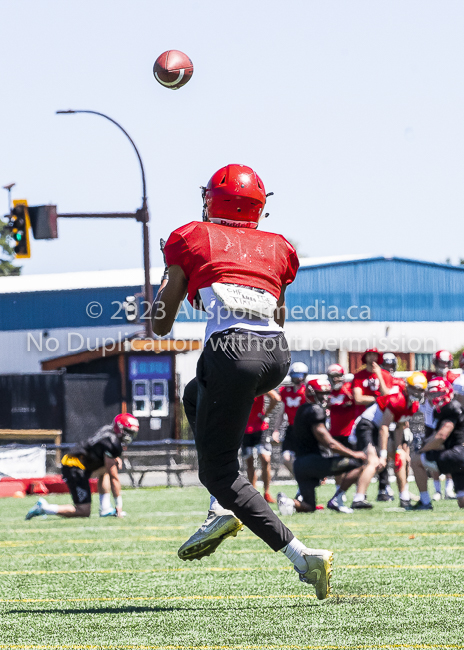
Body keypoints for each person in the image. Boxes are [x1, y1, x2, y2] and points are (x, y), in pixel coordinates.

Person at [152, 164, 332, 600]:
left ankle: (302, 556)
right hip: (275, 353)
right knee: (194, 395)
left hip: (232, 354)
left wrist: (169, 276)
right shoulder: (278, 246)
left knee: (221, 471)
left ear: (210, 200)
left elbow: (160, 324)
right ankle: (219, 506)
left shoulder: (191, 236)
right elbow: (275, 311)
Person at [277, 378, 367, 516]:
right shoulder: (316, 410)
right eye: (321, 393)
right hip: (312, 463)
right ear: (312, 393)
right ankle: (337, 499)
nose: (325, 397)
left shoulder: (302, 409)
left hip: (300, 465)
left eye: (327, 393)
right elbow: (329, 443)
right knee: (359, 463)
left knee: (309, 506)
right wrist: (354, 454)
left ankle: (288, 502)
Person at [25, 414, 139, 520]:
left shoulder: (108, 432)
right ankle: (44, 508)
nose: (129, 436)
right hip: (74, 467)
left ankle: (105, 508)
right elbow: (114, 478)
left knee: (106, 468)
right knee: (83, 511)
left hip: (80, 464)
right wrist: (119, 505)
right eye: (128, 432)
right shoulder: (112, 442)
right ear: (119, 428)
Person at [350, 372, 427, 509]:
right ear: (407, 387)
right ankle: (358, 498)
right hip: (367, 425)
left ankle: (404, 497)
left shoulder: (413, 405)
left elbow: (399, 427)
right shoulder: (398, 400)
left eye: (420, 389)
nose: (417, 392)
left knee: (400, 457)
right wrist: (384, 455)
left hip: (379, 428)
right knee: (373, 461)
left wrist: (398, 448)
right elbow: (384, 427)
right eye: (414, 388)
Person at [410, 378, 464, 510]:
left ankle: (425, 501)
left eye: (438, 393)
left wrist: (422, 450)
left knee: (416, 460)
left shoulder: (452, 407)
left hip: (457, 454)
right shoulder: (439, 410)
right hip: (457, 457)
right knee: (462, 502)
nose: (435, 397)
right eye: (432, 394)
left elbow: (441, 436)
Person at [352, 349, 394, 502]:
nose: (373, 358)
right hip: (364, 422)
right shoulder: (359, 376)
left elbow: (388, 395)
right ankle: (360, 494)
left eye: (375, 355)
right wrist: (377, 399)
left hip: (381, 422)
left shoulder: (385, 375)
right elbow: (358, 398)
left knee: (384, 454)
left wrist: (379, 375)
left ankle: (383, 488)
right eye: (370, 355)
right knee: (369, 457)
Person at [421, 350, 460, 500]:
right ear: (435, 362)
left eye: (446, 362)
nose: (443, 365)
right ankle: (437, 490)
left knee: (448, 451)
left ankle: (449, 488)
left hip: (448, 418)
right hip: (431, 417)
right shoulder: (426, 376)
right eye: (440, 362)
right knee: (433, 451)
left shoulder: (454, 378)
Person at [326, 364, 358, 507]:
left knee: (354, 464)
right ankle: (339, 491)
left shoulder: (348, 390)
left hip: (349, 433)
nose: (336, 379)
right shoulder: (328, 392)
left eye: (338, 376)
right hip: (335, 434)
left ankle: (358, 493)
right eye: (333, 377)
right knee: (337, 465)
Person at [242, 391, 281, 503]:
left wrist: (266, 414)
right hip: (245, 429)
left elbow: (276, 398)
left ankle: (266, 492)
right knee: (249, 461)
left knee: (265, 459)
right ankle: (254, 494)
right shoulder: (239, 385)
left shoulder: (259, 384)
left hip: (260, 428)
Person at [273, 362, 308, 474]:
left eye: (300, 376)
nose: (297, 379)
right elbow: (281, 413)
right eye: (295, 376)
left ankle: (305, 480)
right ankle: (300, 479)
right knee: (286, 458)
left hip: (305, 429)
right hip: (291, 428)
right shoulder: (285, 391)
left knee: (304, 458)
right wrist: (276, 430)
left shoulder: (308, 392)